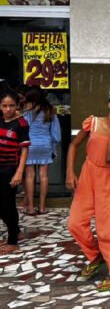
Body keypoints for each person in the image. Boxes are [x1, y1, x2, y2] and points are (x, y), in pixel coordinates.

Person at [66, 90, 110, 291]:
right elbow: (74, 145)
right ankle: (96, 256)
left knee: (104, 229)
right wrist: (70, 172)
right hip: (88, 173)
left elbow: (109, 157)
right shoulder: (93, 122)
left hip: (108, 177)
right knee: (75, 223)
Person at [21, 87, 61, 215]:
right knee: (44, 176)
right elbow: (56, 135)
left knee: (29, 176)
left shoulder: (26, 112)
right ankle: (43, 207)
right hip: (45, 145)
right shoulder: (50, 111)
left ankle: (31, 207)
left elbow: (22, 128)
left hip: (30, 145)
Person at [0, 90, 29, 254]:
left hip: (11, 168)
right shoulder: (0, 121)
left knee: (8, 204)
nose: (8, 109)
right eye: (5, 106)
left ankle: (13, 241)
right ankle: (15, 230)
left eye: (11, 105)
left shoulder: (21, 124)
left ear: (17, 106)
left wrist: (19, 172)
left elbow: (24, 150)